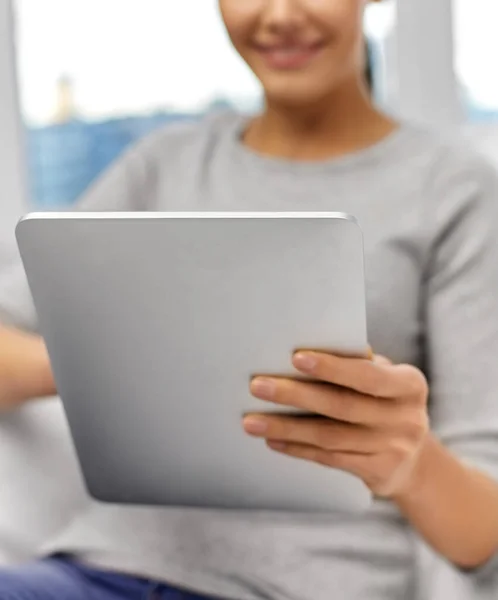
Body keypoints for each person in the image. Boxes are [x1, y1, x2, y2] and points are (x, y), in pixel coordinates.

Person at [1, 0, 498, 598]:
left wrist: (412, 464)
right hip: (97, 571)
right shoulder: (164, 166)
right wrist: (115, 366)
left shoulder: (457, 193)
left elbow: (486, 535)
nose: (280, 15)